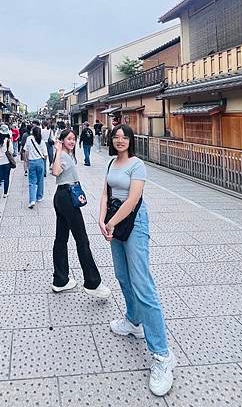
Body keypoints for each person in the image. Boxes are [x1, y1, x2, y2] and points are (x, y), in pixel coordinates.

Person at [99, 124, 176, 397]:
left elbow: (133, 200)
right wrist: (101, 218)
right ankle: (133, 321)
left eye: (124, 137)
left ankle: (162, 356)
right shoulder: (111, 163)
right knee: (122, 276)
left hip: (133, 224)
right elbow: (106, 193)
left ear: (131, 141)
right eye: (116, 136)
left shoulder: (137, 165)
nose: (120, 140)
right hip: (115, 223)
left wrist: (110, 222)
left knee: (143, 285)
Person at [51, 129, 111, 298]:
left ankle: (60, 280)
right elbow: (55, 172)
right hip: (67, 198)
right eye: (68, 138)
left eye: (73, 139)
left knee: (61, 238)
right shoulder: (62, 155)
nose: (72, 141)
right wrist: (57, 150)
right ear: (61, 140)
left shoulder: (68, 155)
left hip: (62, 196)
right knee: (82, 239)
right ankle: (93, 282)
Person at [24, 126, 47, 208]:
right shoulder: (42, 141)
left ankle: (32, 200)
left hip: (32, 162)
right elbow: (45, 155)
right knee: (40, 180)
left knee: (32, 182)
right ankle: (39, 197)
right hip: (40, 161)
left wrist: (26, 161)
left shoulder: (29, 139)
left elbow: (26, 151)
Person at [0, 124, 13, 202]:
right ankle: (5, 193)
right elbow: (11, 151)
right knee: (6, 177)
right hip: (6, 162)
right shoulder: (8, 140)